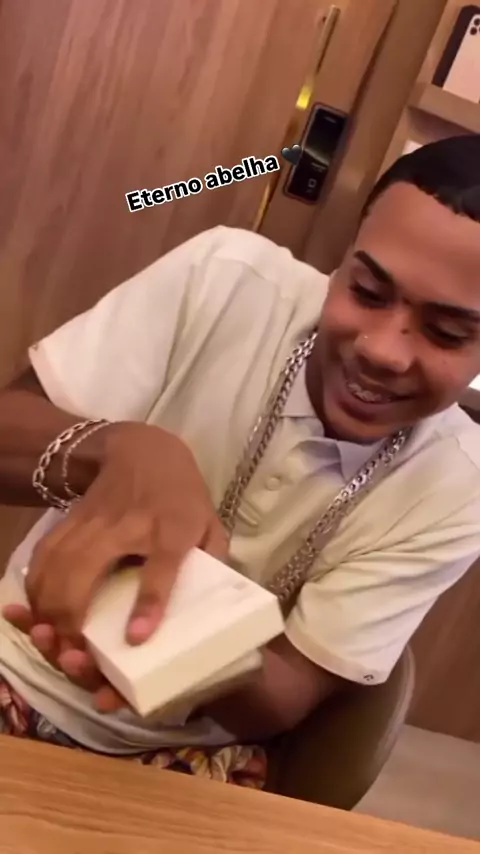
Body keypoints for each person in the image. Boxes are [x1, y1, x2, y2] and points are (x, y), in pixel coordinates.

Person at [1, 135, 480, 789]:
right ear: (341, 262)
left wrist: (176, 633)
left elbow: (284, 698)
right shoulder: (224, 278)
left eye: (447, 333)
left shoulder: (458, 485)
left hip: (183, 756)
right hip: (17, 661)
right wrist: (120, 451)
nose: (382, 350)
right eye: (368, 291)